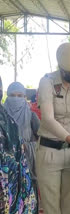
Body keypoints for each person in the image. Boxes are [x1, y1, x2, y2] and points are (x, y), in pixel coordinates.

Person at [36, 43, 70, 214]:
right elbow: (47, 119)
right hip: (49, 152)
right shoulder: (47, 82)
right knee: (51, 207)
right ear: (60, 67)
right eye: (69, 72)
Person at [0, 76, 37, 213]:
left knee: (26, 203)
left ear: (24, 97)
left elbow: (43, 140)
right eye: (12, 95)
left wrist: (28, 146)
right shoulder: (2, 115)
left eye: (20, 96)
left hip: (27, 167)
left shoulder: (31, 116)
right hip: (6, 172)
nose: (16, 99)